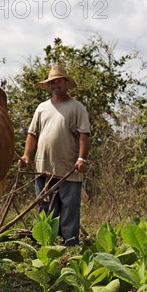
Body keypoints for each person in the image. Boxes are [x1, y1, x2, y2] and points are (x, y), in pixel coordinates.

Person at [19, 65, 90, 246]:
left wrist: (81, 159)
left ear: (66, 83)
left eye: (58, 81)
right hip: (43, 169)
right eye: (51, 83)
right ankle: (47, 245)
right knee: (46, 208)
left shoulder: (77, 107)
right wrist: (27, 155)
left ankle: (70, 245)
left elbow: (84, 135)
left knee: (69, 208)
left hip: (68, 169)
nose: (55, 85)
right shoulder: (42, 108)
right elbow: (32, 133)